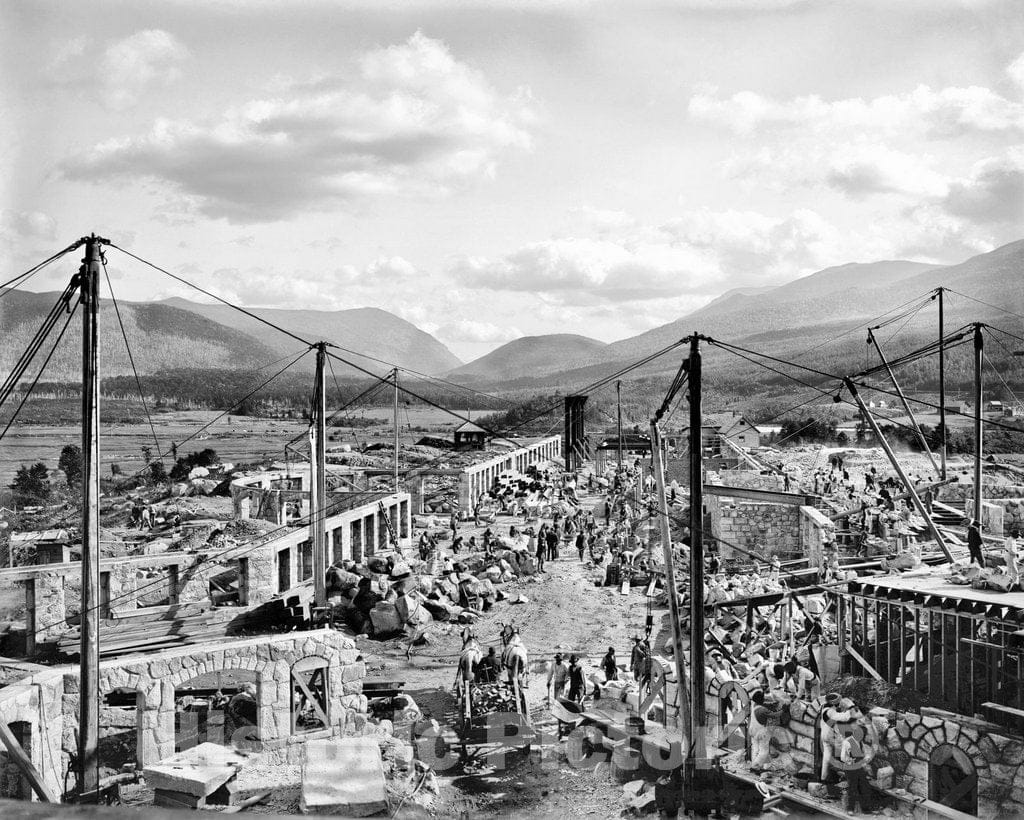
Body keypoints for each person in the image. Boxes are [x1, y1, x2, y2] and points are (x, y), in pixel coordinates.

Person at [840, 723, 872, 814]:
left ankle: (865, 808)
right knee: (853, 786)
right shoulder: (847, 742)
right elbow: (842, 757)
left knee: (865, 785)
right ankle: (850, 808)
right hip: (849, 768)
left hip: (858, 767)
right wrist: (849, 760)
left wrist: (867, 758)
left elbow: (866, 753)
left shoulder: (860, 742)